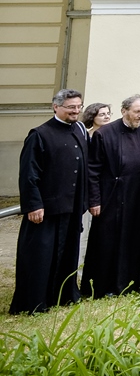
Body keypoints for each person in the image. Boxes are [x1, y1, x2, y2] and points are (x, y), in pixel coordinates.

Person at [10, 89, 88, 315]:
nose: (76, 111)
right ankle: (34, 302)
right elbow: (29, 174)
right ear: (56, 107)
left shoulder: (79, 130)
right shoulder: (39, 134)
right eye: (71, 107)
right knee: (40, 256)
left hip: (71, 206)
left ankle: (63, 295)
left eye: (79, 106)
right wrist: (34, 205)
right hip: (45, 208)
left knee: (67, 253)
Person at [83, 94, 140, 298]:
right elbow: (93, 171)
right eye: (136, 111)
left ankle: (133, 282)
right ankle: (105, 286)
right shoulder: (104, 134)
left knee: (135, 240)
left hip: (139, 196)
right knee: (108, 242)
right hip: (112, 196)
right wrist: (94, 200)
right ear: (124, 111)